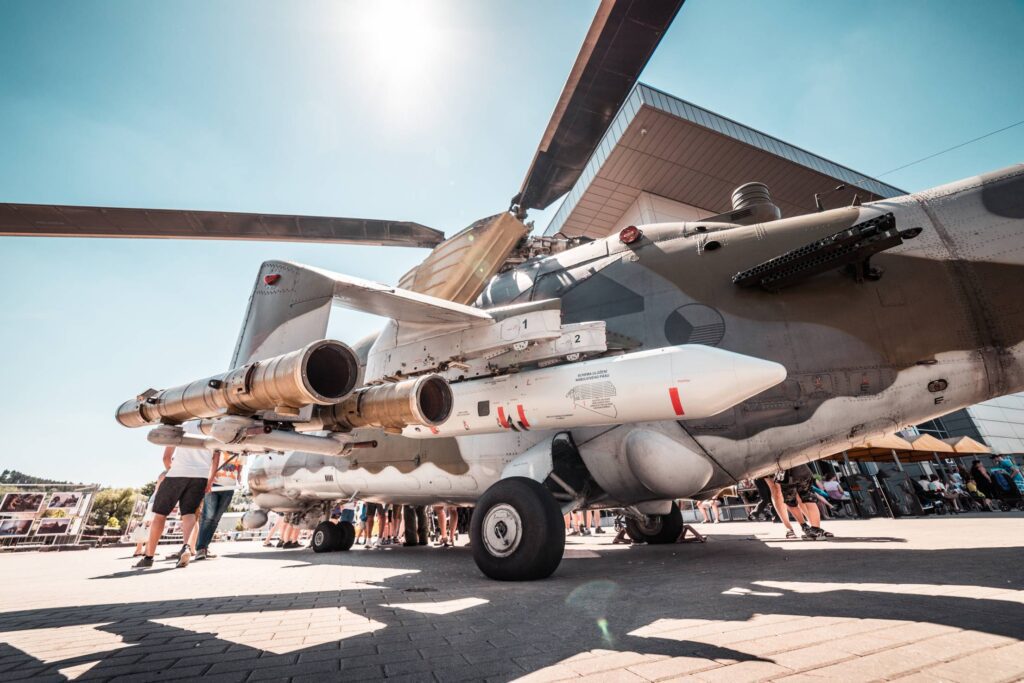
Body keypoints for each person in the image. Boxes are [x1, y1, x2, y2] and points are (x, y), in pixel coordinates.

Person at [134, 429, 218, 569]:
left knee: (160, 515)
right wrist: (209, 481)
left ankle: (149, 557)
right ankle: (186, 547)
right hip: (201, 476)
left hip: (177, 473)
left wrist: (171, 472)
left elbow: (166, 457)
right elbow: (216, 458)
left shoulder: (181, 426)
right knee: (190, 513)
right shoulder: (214, 429)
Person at [194, 452, 244, 560]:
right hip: (214, 484)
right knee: (208, 517)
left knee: (216, 519)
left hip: (229, 486)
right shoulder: (221, 443)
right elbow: (214, 461)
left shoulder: (241, 448)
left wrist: (239, 479)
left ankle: (205, 547)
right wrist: (209, 480)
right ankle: (200, 548)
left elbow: (241, 464)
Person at [774, 465, 833, 539]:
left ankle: (810, 528)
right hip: (803, 472)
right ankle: (816, 530)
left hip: (786, 476)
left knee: (791, 502)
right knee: (809, 499)